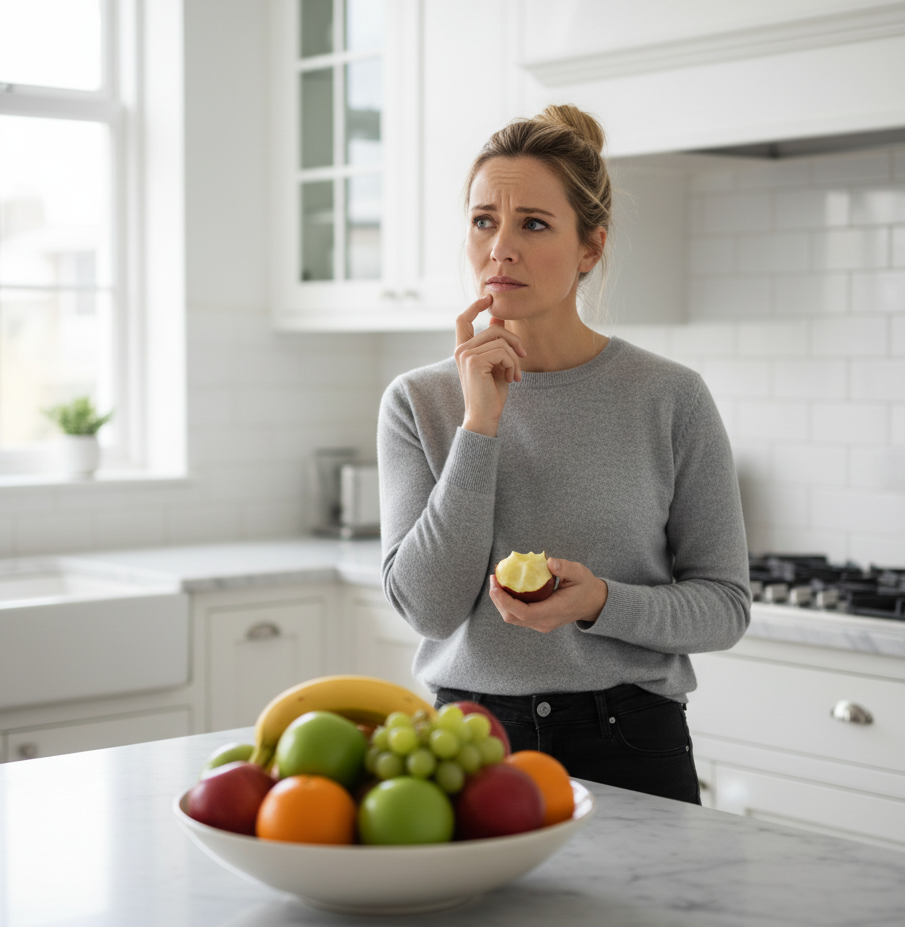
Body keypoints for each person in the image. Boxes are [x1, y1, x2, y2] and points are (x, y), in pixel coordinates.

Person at [376, 104, 750, 804]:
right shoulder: (418, 401)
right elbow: (427, 608)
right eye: (483, 220)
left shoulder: (670, 396)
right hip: (468, 743)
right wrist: (478, 425)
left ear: (590, 248)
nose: (500, 247)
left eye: (533, 224)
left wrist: (600, 601)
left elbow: (724, 606)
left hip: (631, 737)